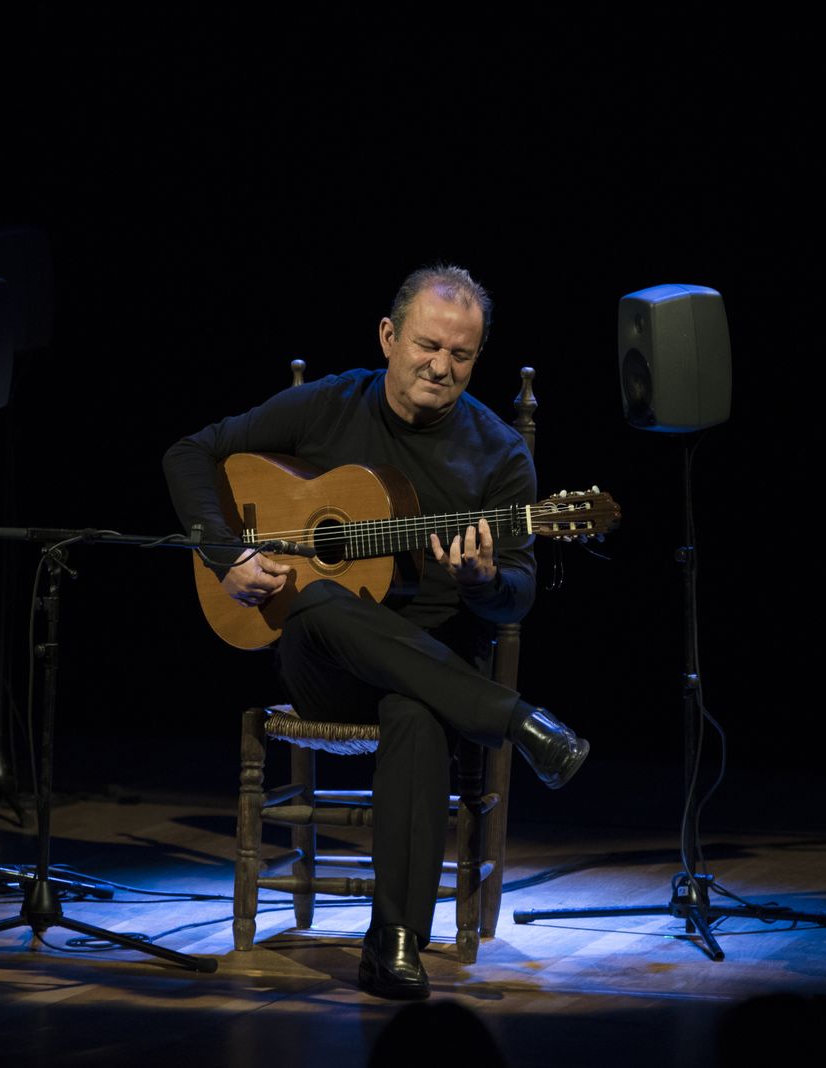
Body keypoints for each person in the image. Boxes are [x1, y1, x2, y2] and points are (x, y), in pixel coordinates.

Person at [163, 264, 588, 999]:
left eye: (461, 355)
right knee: (323, 600)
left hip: (431, 668)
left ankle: (393, 941)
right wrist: (225, 553)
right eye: (427, 346)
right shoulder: (328, 404)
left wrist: (483, 581)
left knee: (418, 713)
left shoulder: (499, 455)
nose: (440, 367)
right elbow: (188, 452)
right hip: (321, 659)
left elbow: (516, 597)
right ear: (389, 337)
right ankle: (516, 722)